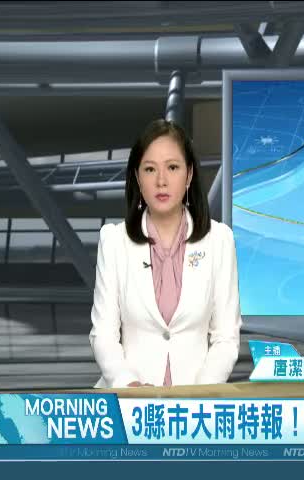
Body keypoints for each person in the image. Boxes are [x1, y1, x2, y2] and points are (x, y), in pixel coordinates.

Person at [89, 119, 242, 388]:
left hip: (196, 400)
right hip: (127, 398)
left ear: (189, 174)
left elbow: (226, 338)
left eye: (172, 167)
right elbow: (103, 334)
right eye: (150, 169)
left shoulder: (219, 240)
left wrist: (199, 394)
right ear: (138, 178)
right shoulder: (113, 241)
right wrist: (129, 385)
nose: (161, 181)